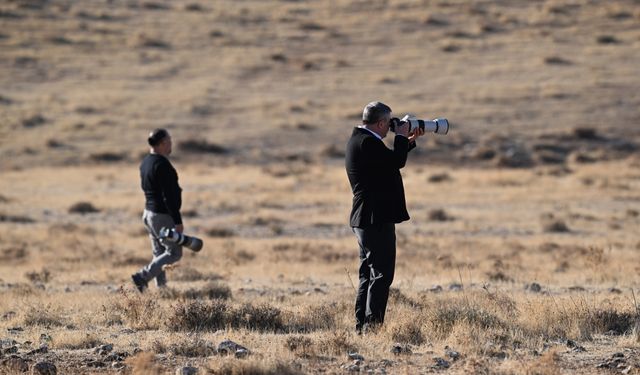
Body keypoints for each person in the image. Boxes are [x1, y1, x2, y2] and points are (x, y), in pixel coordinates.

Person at [345, 101, 425, 333]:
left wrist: (406, 142)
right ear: (381, 123)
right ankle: (372, 327)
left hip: (365, 218)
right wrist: (400, 136)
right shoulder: (368, 142)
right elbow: (396, 162)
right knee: (381, 274)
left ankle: (362, 326)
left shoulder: (359, 140)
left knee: (367, 275)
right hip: (374, 218)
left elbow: (387, 164)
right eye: (389, 122)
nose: (392, 126)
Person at [131, 128, 184, 292]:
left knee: (159, 252)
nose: (171, 144)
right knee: (174, 252)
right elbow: (169, 196)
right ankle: (142, 276)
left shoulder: (145, 162)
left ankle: (162, 288)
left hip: (148, 214)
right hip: (161, 215)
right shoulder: (162, 165)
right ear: (162, 143)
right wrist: (177, 220)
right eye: (169, 141)